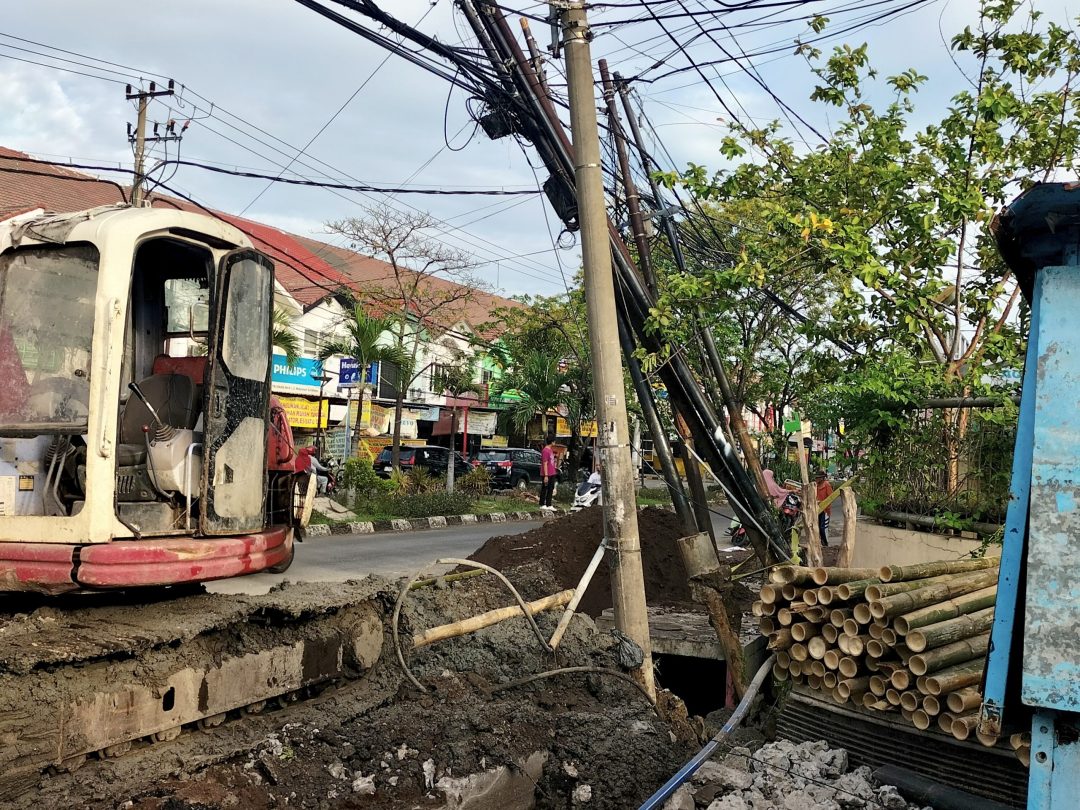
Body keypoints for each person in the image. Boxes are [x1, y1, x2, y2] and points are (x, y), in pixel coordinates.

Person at [815, 469, 833, 546]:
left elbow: (831, 498)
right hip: (817, 509)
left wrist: (824, 504)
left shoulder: (827, 485)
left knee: (823, 528)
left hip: (825, 510)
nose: (816, 479)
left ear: (822, 478)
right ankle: (822, 542)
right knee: (818, 527)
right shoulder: (815, 485)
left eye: (818, 478)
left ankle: (825, 543)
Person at [540, 435, 558, 510]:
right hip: (547, 473)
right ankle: (542, 503)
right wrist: (546, 475)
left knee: (551, 488)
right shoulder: (545, 450)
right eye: (554, 441)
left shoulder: (550, 450)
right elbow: (545, 463)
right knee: (545, 488)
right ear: (552, 442)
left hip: (552, 472)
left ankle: (549, 504)